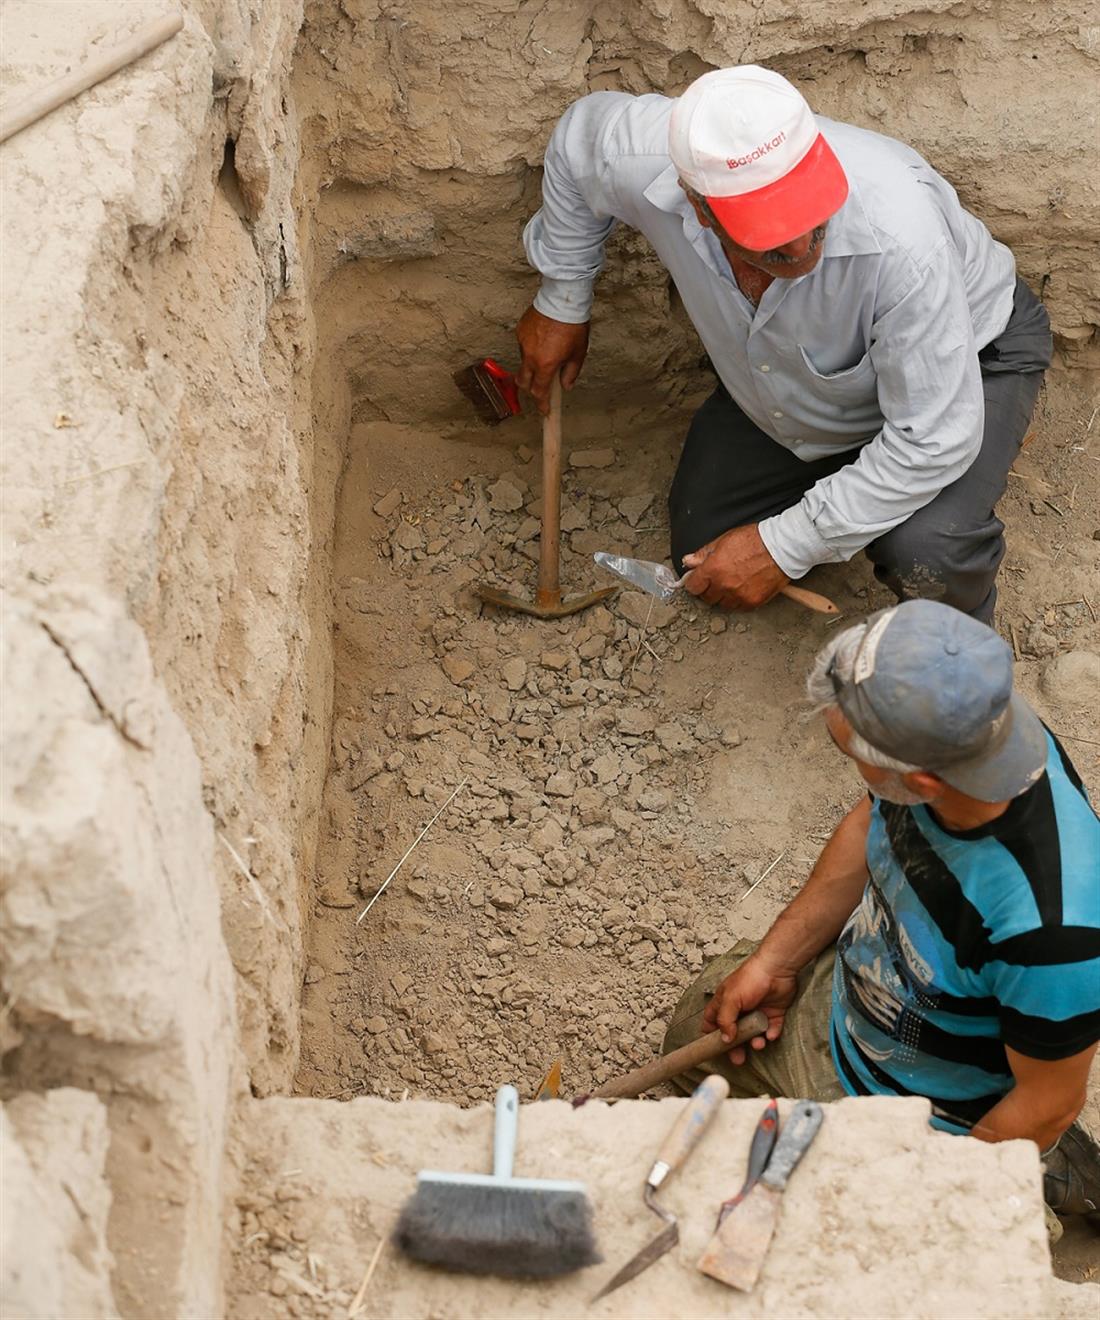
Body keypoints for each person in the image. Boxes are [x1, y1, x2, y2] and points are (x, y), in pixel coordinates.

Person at [517, 66, 1052, 622]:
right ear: (698, 206)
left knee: (928, 551)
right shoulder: (643, 158)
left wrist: (783, 544)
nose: (802, 247)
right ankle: (855, 482)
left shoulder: (900, 237)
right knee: (704, 549)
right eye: (769, 238)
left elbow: (935, 437)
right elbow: (578, 139)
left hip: (974, 355)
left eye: (815, 220)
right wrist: (561, 299)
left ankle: (957, 664)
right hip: (803, 380)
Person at [661, 600, 1100, 1230]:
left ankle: (1052, 1176)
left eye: (849, 748)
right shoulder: (978, 732)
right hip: (854, 1012)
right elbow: (875, 818)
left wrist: (921, 1198)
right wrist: (777, 960)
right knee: (692, 1033)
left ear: (922, 782)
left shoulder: (1054, 934)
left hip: (927, 1114)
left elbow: (1049, 1103)